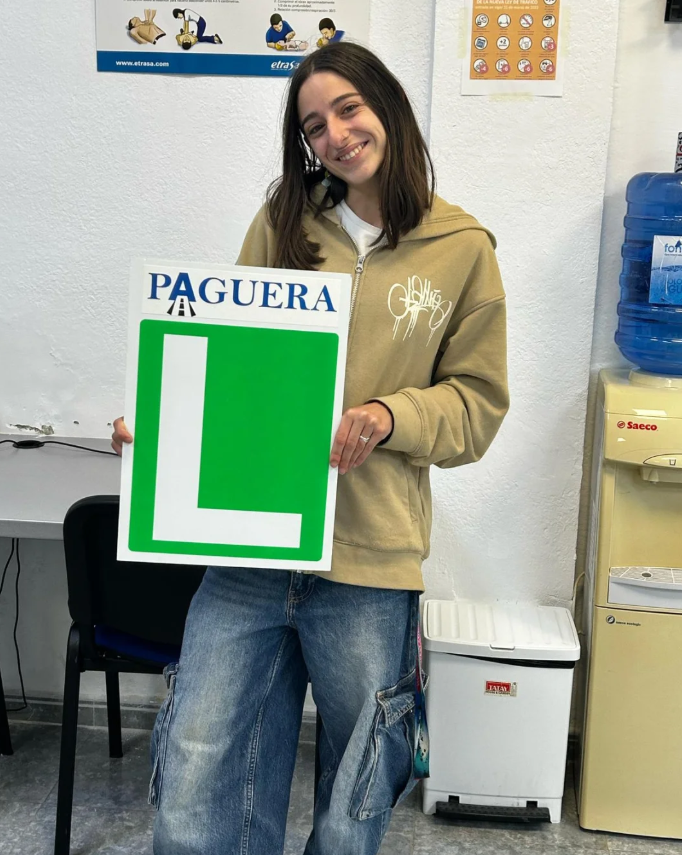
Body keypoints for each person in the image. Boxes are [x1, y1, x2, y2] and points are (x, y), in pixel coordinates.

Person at [112, 41, 508, 855]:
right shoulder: (284, 223)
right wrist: (166, 426)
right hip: (250, 552)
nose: (335, 134)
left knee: (355, 790)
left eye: (349, 109)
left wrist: (392, 415)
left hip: (368, 565)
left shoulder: (463, 249)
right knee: (197, 768)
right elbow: (233, 359)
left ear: (386, 105)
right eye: (314, 124)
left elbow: (477, 406)